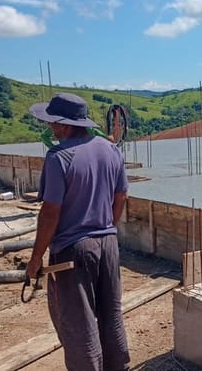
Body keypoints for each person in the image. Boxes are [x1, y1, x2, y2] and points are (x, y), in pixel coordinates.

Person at [26, 93, 130, 370]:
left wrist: (36, 260)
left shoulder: (59, 157)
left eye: (54, 123)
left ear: (67, 124)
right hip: (108, 243)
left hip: (73, 250)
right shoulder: (111, 150)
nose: (51, 129)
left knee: (78, 324)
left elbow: (50, 213)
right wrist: (107, 226)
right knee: (111, 314)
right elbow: (121, 197)